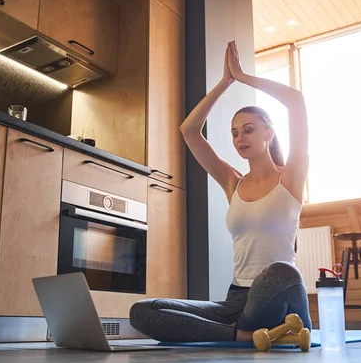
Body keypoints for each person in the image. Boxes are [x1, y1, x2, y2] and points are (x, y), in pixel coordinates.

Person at [129, 41, 311, 342]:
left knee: (281, 272)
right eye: (235, 132)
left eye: (249, 129)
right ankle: (241, 335)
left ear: (269, 132)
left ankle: (243, 332)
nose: (240, 137)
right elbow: (189, 130)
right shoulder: (233, 182)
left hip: (279, 295)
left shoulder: (290, 177)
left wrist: (242, 76)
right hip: (236, 302)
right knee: (144, 310)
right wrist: (224, 82)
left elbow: (295, 101)